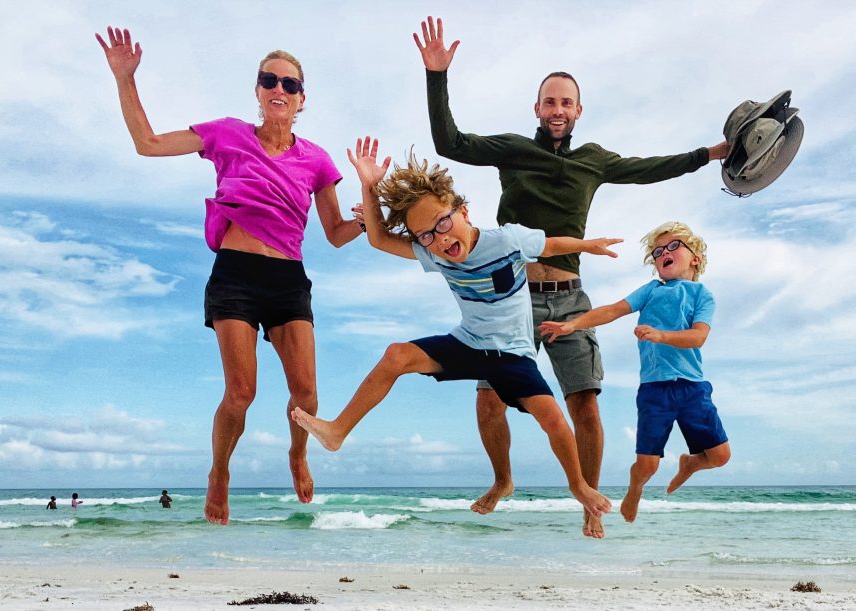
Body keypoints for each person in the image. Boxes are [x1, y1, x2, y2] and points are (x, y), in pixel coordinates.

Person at [414, 16, 731, 538]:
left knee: (583, 402)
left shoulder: (594, 161)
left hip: (569, 296)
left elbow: (651, 166)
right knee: (489, 395)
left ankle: (586, 496)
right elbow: (450, 142)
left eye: (566, 103)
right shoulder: (515, 150)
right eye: (549, 101)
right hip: (513, 297)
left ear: (578, 111)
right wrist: (437, 76)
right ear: (537, 109)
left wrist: (709, 155)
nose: (557, 110)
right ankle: (503, 480)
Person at [96, 27, 364, 525]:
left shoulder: (317, 160)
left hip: (288, 280)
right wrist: (124, 79)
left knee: (306, 394)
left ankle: (297, 454)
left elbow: (335, 233)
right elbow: (147, 144)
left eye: (289, 84)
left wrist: (369, 214)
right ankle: (219, 472)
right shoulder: (228, 133)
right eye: (270, 81)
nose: (279, 90)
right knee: (241, 393)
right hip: (236, 275)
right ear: (259, 91)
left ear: (302, 99)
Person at [291, 138, 619, 519]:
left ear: (463, 211)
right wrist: (369, 188)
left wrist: (587, 244)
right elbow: (379, 238)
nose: (440, 238)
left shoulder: (506, 240)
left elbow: (548, 245)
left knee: (554, 420)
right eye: (426, 235)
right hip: (468, 343)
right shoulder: (432, 254)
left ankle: (579, 485)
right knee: (397, 354)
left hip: (513, 353)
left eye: (443, 223)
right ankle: (337, 431)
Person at [540, 221, 731, 524]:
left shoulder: (701, 296)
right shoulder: (651, 290)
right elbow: (613, 310)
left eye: (672, 247)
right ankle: (634, 489)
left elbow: (698, 337)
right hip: (655, 390)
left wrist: (661, 336)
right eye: (657, 252)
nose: (663, 253)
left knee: (720, 457)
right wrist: (572, 325)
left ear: (694, 258)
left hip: (692, 387)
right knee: (647, 465)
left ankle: (690, 464)